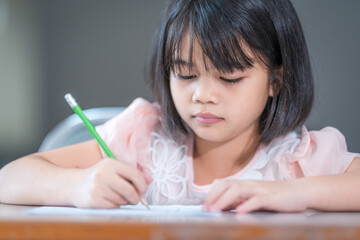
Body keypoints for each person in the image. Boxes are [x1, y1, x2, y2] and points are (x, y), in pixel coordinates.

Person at [0, 0, 359, 214]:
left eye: (230, 78)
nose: (202, 95)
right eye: (185, 74)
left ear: (275, 81)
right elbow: (8, 180)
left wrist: (293, 192)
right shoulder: (142, 137)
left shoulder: (297, 161)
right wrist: (76, 186)